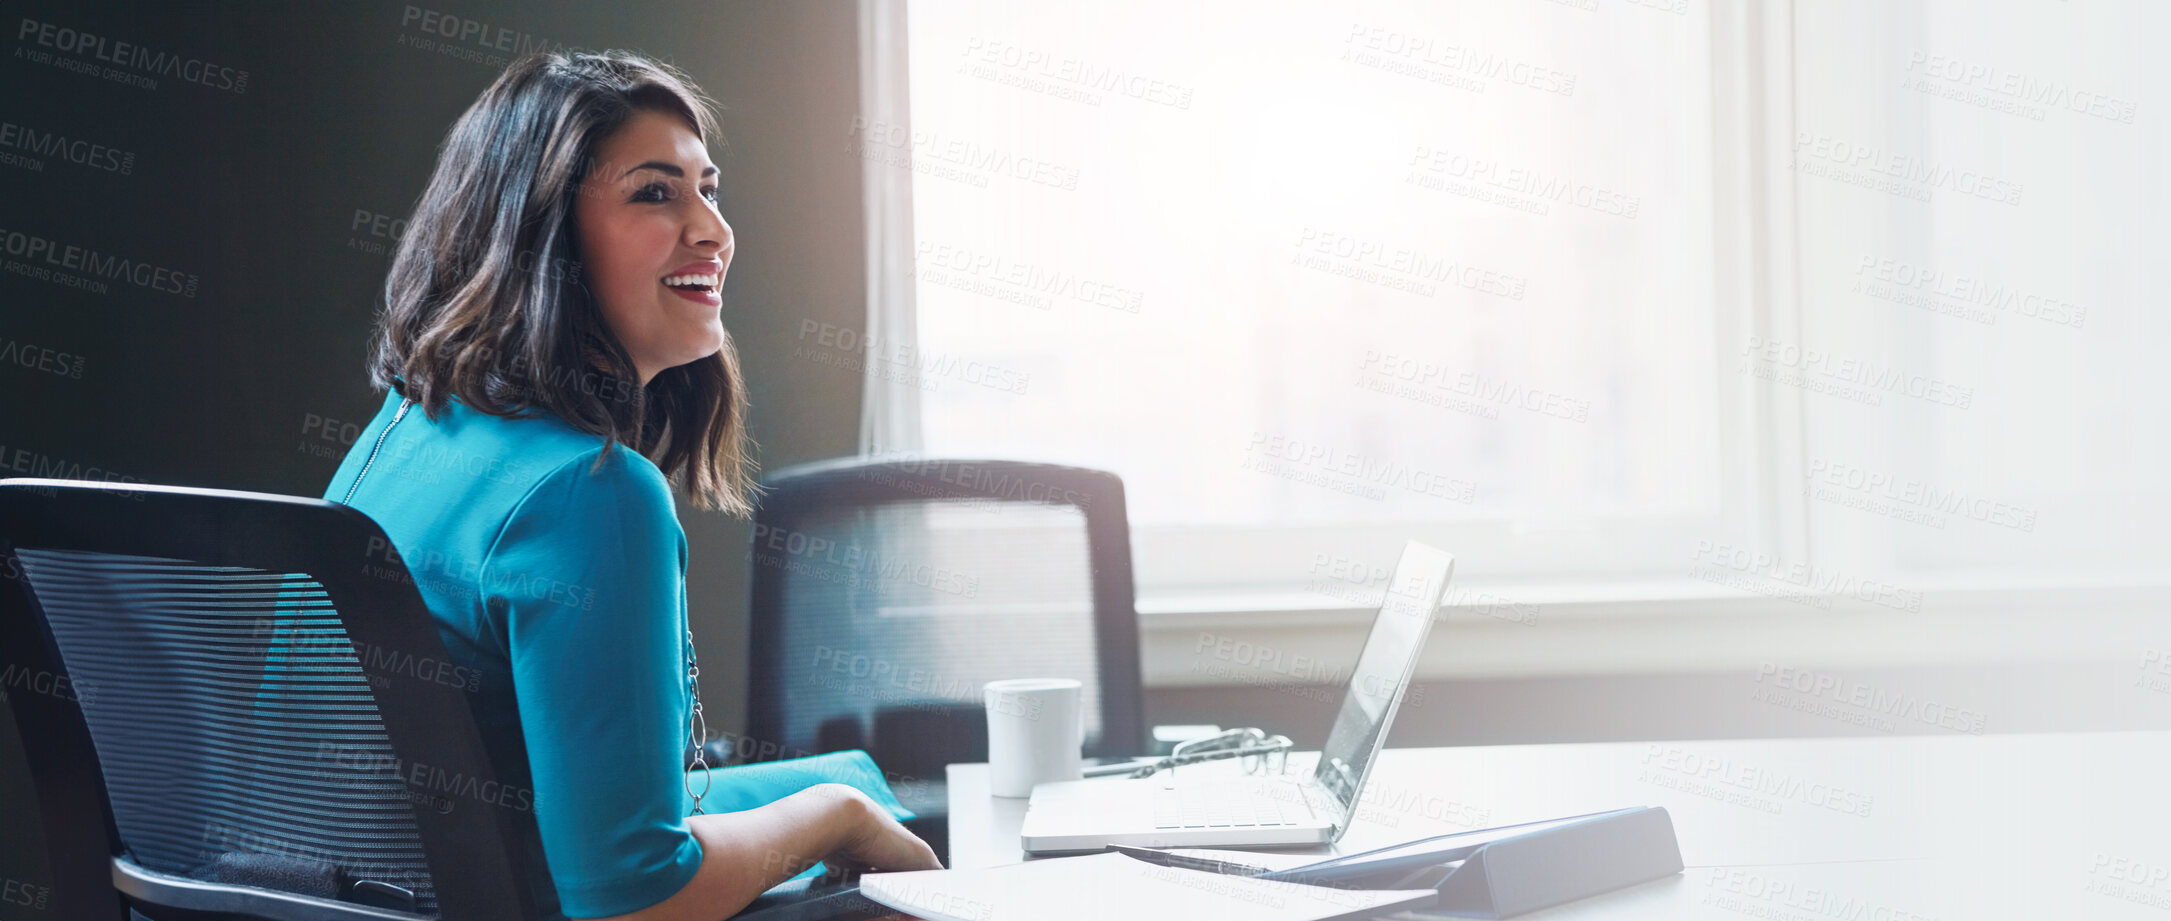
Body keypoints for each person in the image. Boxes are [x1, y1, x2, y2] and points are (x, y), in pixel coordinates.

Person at [322, 49, 938, 921]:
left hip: (406, 881)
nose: (713, 231)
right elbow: (634, 901)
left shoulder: (405, 427)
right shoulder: (590, 491)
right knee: (863, 830)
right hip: (542, 895)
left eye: (708, 190)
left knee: (859, 779)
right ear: (540, 237)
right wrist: (835, 820)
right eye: (655, 193)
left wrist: (846, 797)